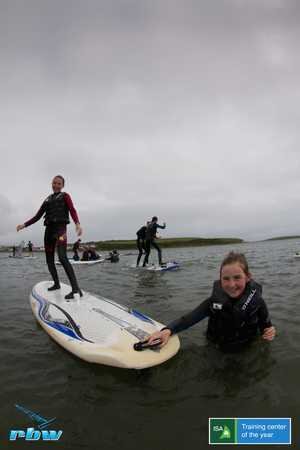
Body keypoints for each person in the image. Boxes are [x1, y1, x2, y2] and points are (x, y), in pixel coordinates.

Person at [145, 252, 276, 352]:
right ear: (220, 279)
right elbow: (189, 319)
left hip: (246, 349)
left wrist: (270, 332)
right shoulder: (214, 302)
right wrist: (167, 331)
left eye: (237, 278)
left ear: (248, 277)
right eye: (226, 279)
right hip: (215, 348)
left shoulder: (257, 300)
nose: (231, 284)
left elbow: (267, 327)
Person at [16, 175, 83, 299]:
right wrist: (23, 225)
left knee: (62, 258)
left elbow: (72, 210)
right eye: (54, 183)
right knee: (49, 260)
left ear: (62, 185)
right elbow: (37, 216)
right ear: (51, 184)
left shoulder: (65, 196)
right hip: (49, 231)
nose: (56, 185)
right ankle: (56, 284)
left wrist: (77, 224)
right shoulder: (47, 200)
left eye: (59, 183)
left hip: (60, 230)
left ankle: (75, 289)